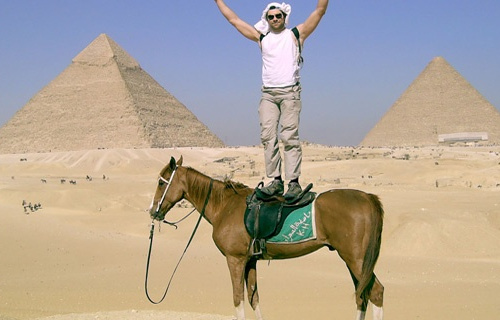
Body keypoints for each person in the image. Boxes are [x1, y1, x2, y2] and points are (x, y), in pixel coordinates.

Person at [214, 0, 329, 200]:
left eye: (278, 16)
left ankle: (293, 183)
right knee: (268, 137)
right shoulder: (262, 38)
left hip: (290, 93)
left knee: (289, 137)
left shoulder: (296, 34)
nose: (275, 19)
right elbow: (234, 20)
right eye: (271, 16)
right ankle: (275, 180)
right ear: (267, 19)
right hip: (268, 94)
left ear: (285, 17)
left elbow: (319, 11)